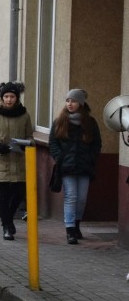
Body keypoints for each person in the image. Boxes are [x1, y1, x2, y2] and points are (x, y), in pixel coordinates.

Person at [49, 89, 102, 244]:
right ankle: (70, 229)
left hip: (85, 166)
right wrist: (60, 158)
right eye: (68, 101)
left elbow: (96, 143)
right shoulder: (59, 121)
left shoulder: (90, 122)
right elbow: (53, 142)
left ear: (81, 103)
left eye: (73, 101)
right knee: (71, 197)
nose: (70, 104)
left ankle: (77, 224)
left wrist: (91, 159)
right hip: (67, 166)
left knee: (81, 199)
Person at [0, 82, 33, 241]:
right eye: (6, 96)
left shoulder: (24, 115)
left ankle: (9, 218)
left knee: (18, 194)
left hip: (18, 160)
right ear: (2, 98)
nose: (9, 99)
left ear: (17, 98)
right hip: (1, 160)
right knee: (3, 196)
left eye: (12, 96)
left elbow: (29, 136)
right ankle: (6, 226)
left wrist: (27, 144)